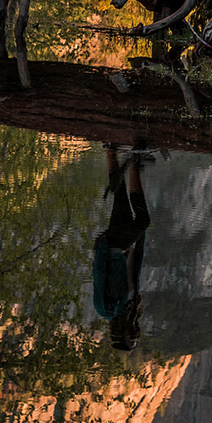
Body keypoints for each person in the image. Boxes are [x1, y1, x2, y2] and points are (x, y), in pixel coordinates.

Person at [92, 145, 152, 350]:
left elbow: (99, 277)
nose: (136, 333)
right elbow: (134, 269)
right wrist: (138, 243)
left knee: (143, 219)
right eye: (136, 338)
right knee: (120, 199)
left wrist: (100, 248)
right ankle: (112, 151)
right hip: (126, 248)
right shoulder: (131, 307)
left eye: (131, 338)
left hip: (112, 248)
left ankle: (133, 162)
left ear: (120, 335)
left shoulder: (106, 309)